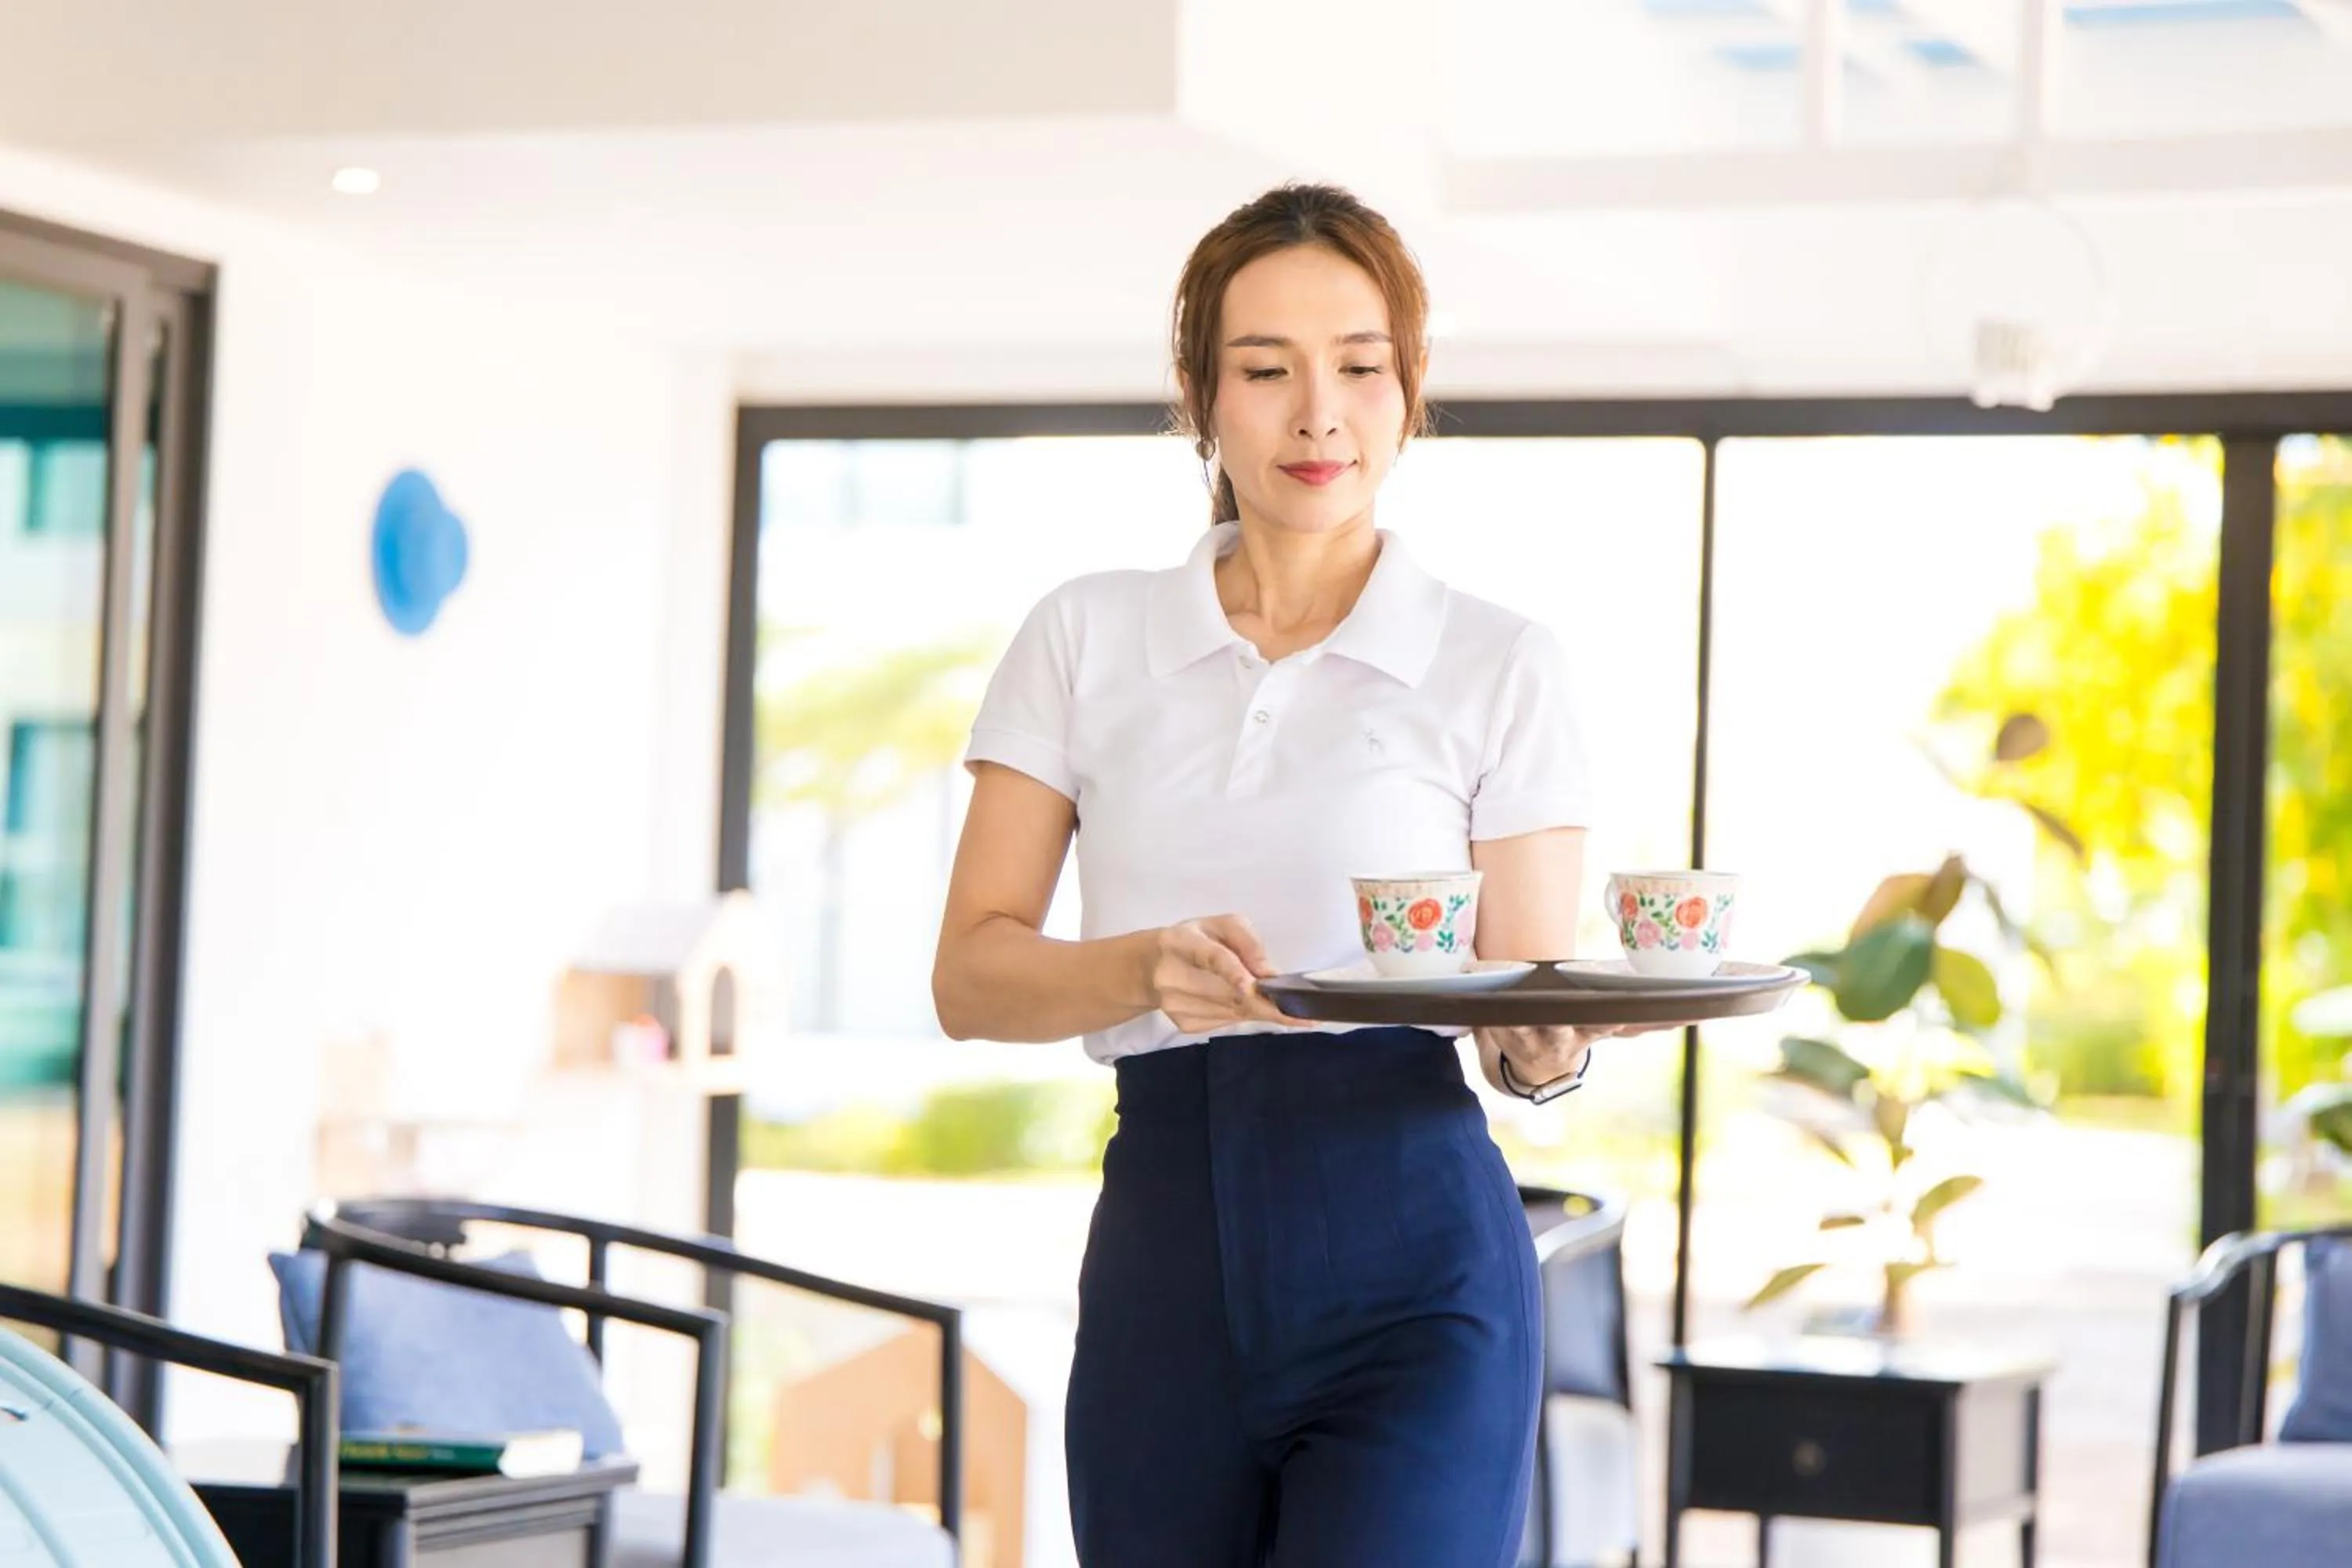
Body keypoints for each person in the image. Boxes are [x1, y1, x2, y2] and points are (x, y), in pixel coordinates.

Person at [932, 182, 1627, 1567]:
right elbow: (971, 976)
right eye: (1266, 371)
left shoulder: (1501, 660)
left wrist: (1551, 1050)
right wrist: (1141, 969)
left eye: (1362, 368)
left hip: (1417, 1263)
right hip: (1164, 1262)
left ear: (1409, 391)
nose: (1321, 414)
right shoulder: (1085, 636)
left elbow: (1528, 1013)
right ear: (1198, 397)